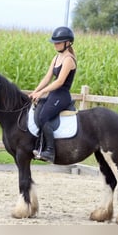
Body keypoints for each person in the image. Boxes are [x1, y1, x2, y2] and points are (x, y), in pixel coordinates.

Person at [29, 26, 77, 163]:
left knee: (44, 116)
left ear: (67, 43)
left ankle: (50, 151)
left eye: (58, 42)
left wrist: (42, 92)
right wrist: (35, 91)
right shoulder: (56, 58)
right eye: (54, 42)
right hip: (53, 94)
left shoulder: (69, 59)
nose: (55, 45)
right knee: (38, 110)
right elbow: (47, 77)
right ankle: (39, 145)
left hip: (62, 95)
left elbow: (60, 81)